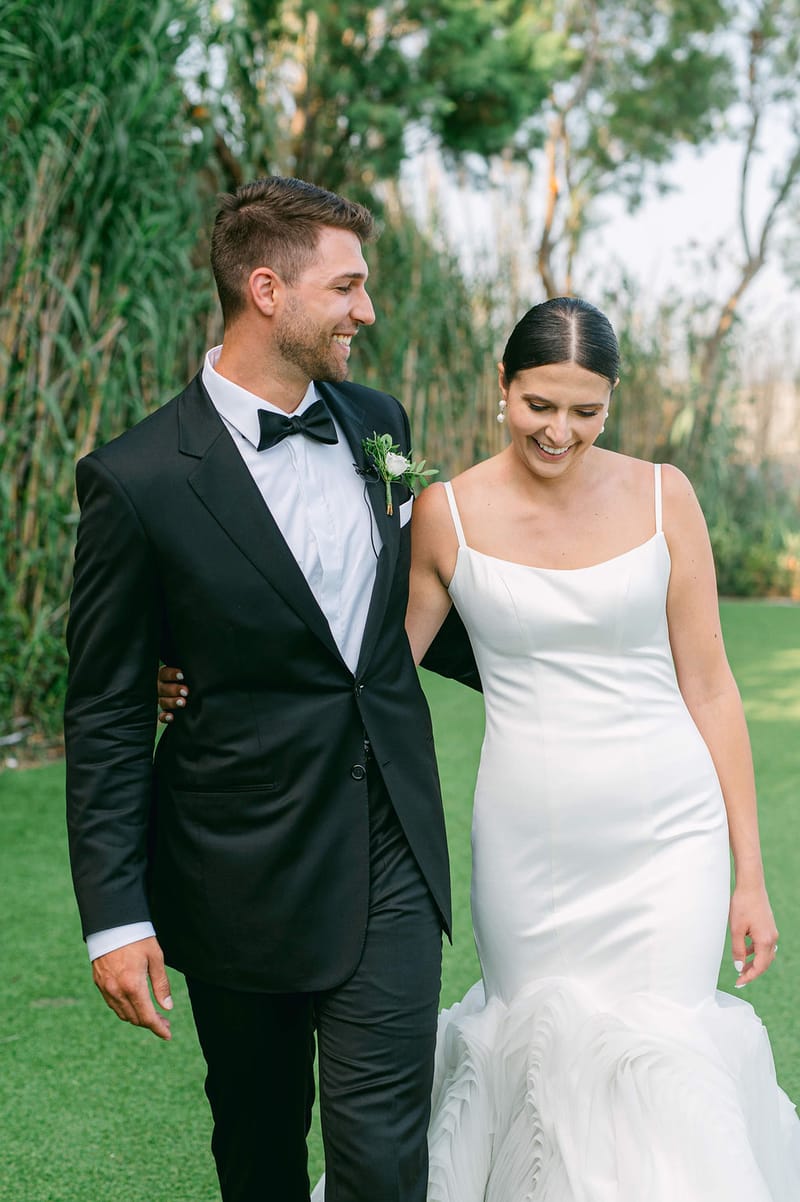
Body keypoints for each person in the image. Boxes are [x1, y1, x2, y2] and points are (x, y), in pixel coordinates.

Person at [64, 175, 465, 1202]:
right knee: (259, 1147)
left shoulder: (378, 421)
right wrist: (115, 917)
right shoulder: (137, 478)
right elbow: (107, 709)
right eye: (347, 287)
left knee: (384, 1156)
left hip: (389, 838)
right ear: (266, 290)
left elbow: (410, 606)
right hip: (239, 864)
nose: (367, 310)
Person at [404, 296, 800, 1199]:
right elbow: (376, 679)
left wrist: (749, 876)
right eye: (539, 405)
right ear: (503, 385)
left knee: (666, 1049)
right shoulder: (445, 514)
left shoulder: (665, 496)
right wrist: (207, 674)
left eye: (586, 411)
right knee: (533, 1049)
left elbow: (711, 687)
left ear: (612, 400)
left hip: (671, 835)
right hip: (529, 841)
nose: (560, 432)